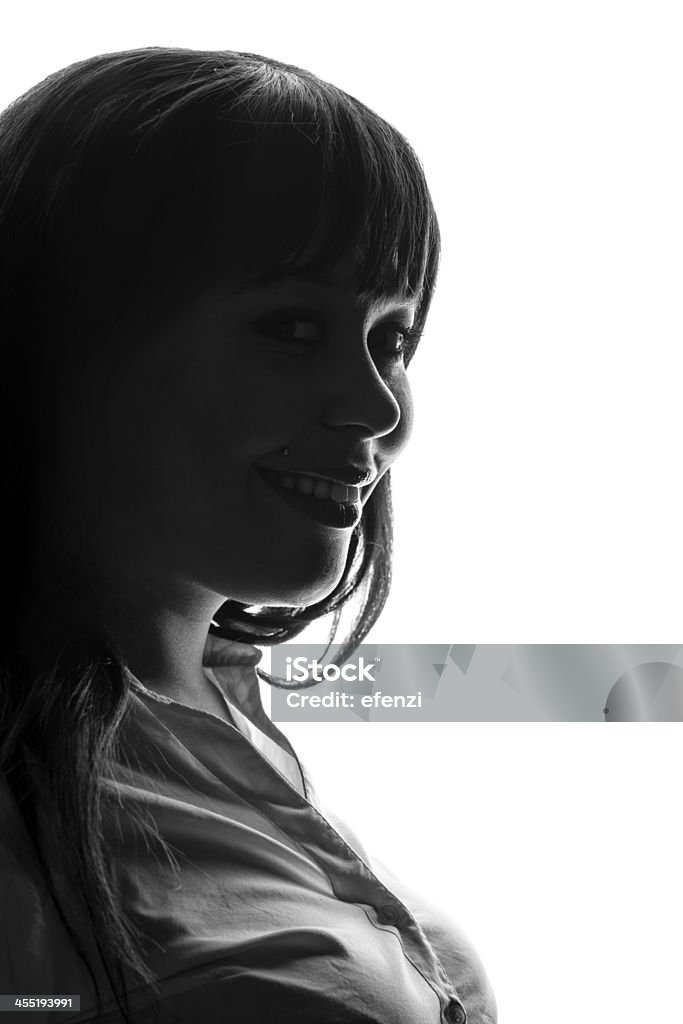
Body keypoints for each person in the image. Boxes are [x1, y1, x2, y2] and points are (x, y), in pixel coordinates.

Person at [0, 47, 496, 1023]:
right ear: (63, 339)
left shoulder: (224, 695)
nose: (374, 408)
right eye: (291, 328)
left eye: (390, 340)